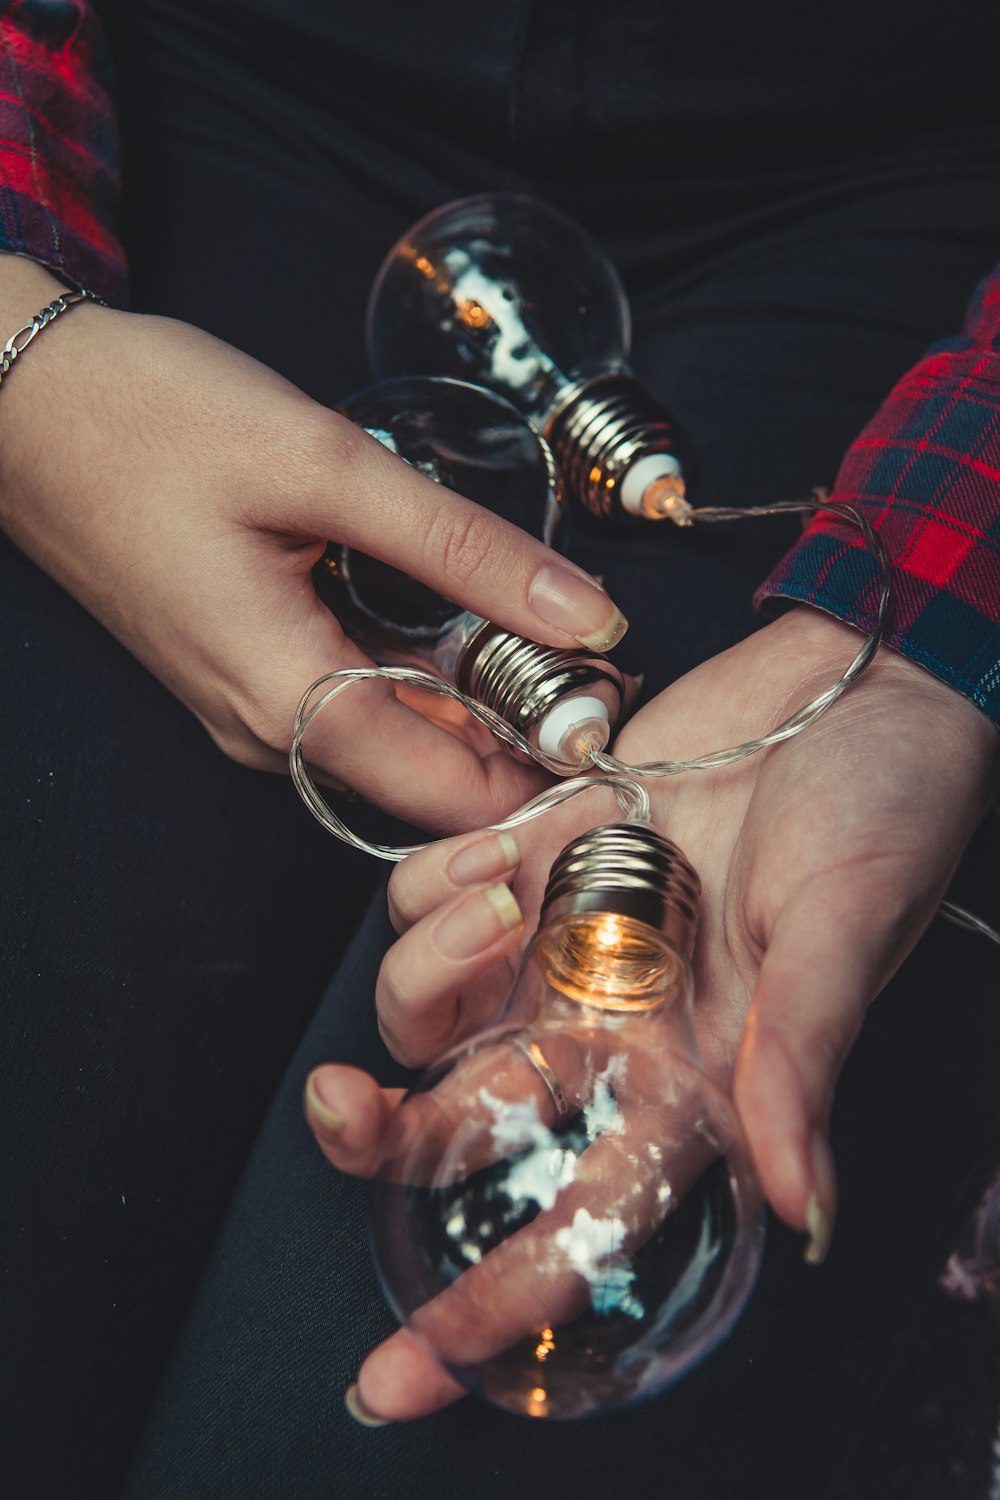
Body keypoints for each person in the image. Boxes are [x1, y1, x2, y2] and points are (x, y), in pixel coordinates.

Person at [1, 1, 998, 1495]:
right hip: (180, 103)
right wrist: (19, 356)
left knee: (330, 1427)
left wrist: (930, 619)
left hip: (894, 195)